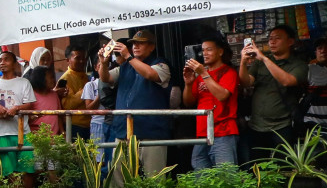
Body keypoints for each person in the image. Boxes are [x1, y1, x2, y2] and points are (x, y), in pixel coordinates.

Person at [97, 30, 171, 178]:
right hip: (124, 132)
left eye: (141, 43)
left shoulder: (161, 64)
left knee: (154, 180)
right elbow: (106, 79)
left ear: (152, 47)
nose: (136, 46)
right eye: (133, 43)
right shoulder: (125, 67)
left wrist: (128, 56)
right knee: (118, 180)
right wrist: (103, 64)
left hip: (151, 133)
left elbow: (150, 74)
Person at [238, 24, 308, 157]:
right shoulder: (259, 62)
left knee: (282, 169)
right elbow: (246, 83)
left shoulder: (298, 65)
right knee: (257, 168)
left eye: (277, 38)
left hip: (282, 126)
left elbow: (287, 81)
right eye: (270, 39)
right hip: (257, 125)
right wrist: (243, 62)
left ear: (290, 42)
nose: (272, 42)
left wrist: (264, 58)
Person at [182, 35, 239, 168]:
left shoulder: (228, 72)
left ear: (220, 51)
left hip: (223, 131)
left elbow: (222, 96)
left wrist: (203, 73)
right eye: (203, 50)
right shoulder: (201, 75)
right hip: (202, 132)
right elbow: (188, 102)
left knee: (226, 176)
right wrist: (189, 84)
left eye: (209, 50)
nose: (204, 54)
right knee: (201, 175)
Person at [0, 49, 35, 185]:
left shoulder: (23, 83)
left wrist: (16, 108)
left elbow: (29, 104)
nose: (2, 63)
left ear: (15, 64)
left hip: (22, 132)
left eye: (6, 59)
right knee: (8, 169)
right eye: (0, 60)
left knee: (27, 167)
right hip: (2, 132)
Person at [58, 46, 92, 140]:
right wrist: (85, 90)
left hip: (88, 124)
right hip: (75, 126)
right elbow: (68, 104)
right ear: (68, 60)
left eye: (83, 58)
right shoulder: (65, 79)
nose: (82, 61)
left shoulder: (85, 76)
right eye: (78, 58)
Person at [24, 65, 64, 135]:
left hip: (54, 138)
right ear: (41, 78)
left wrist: (62, 132)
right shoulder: (30, 95)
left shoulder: (54, 94)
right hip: (37, 138)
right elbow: (25, 118)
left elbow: (58, 116)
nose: (53, 80)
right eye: (51, 77)